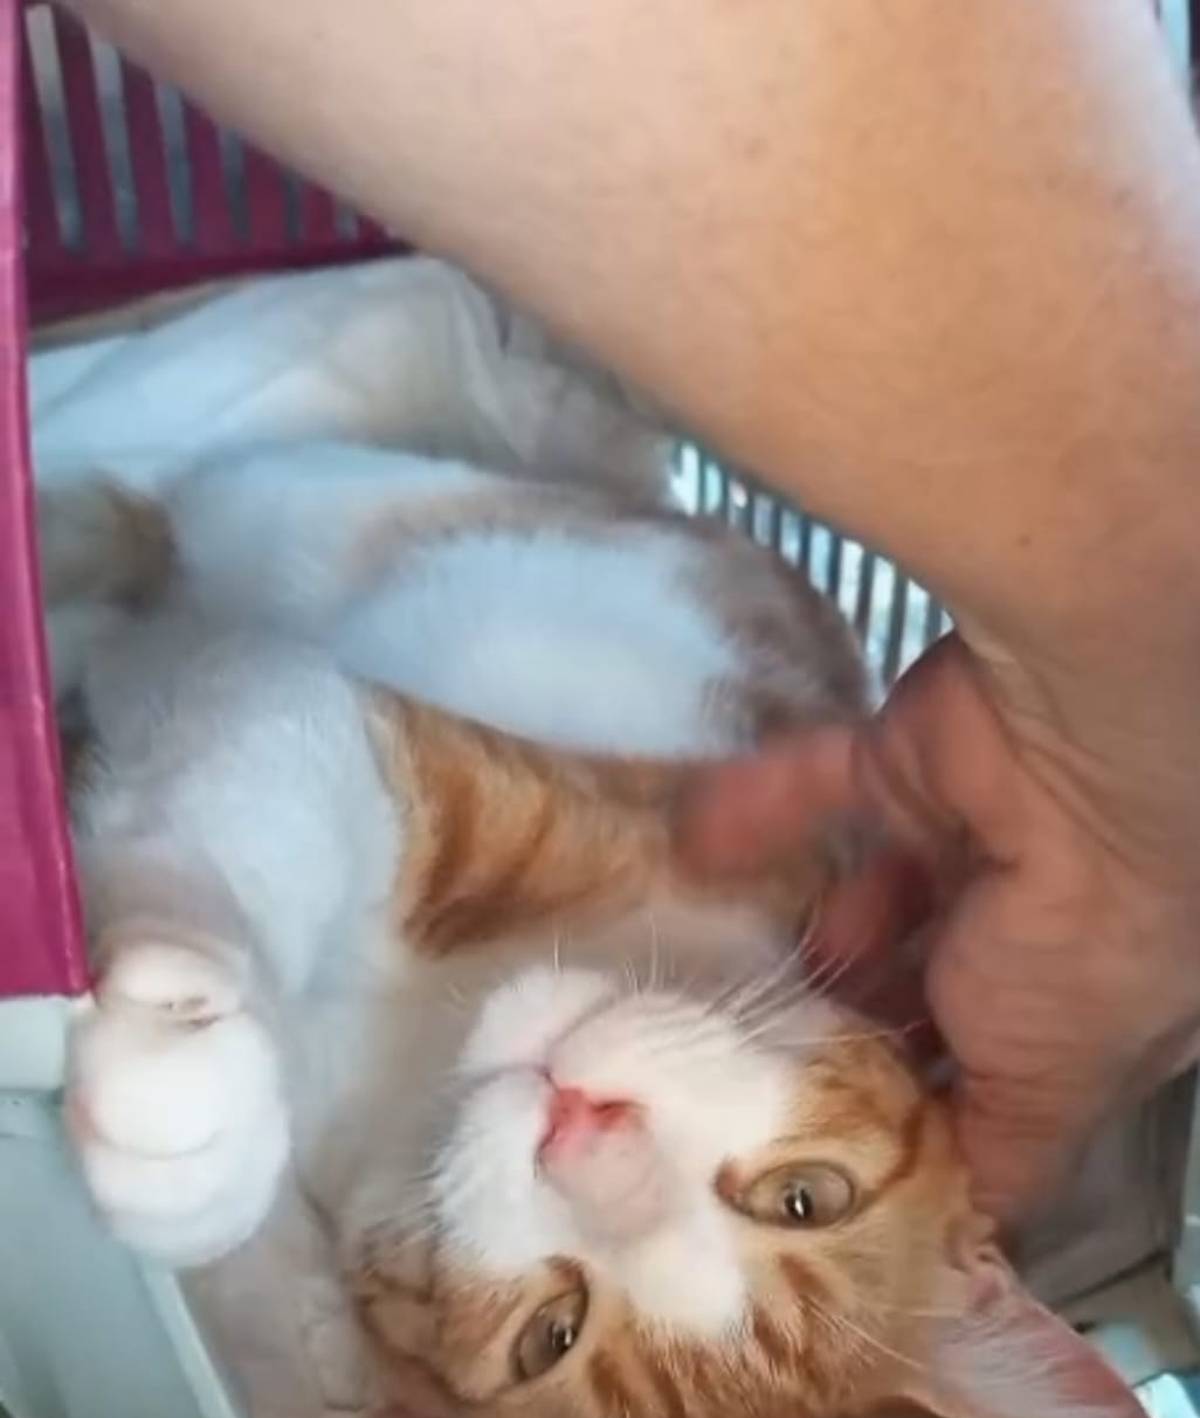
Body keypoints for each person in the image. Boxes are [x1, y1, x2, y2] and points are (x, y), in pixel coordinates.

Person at [67, 0, 1200, 1220]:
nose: (596, 1142)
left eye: (560, 1318)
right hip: (512, 605)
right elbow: (296, 731)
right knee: (256, 542)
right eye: (799, 1199)